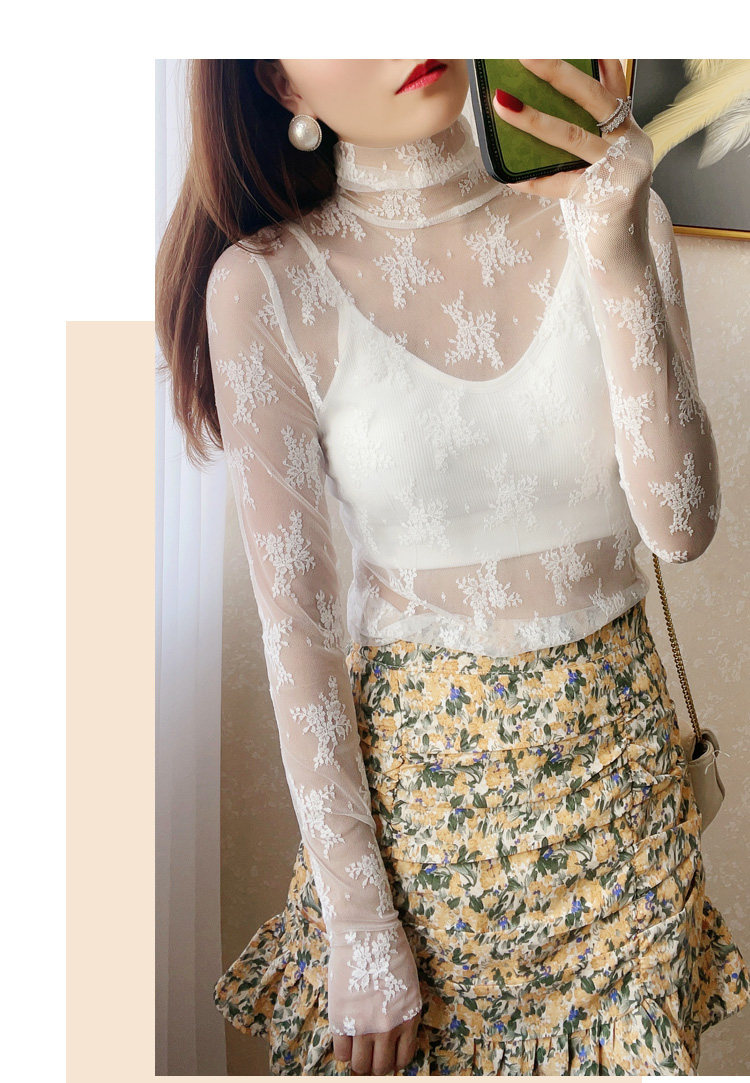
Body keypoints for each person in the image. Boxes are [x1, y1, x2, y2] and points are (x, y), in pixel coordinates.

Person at [155, 59, 750, 1076]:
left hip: (625, 823)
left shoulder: (612, 212)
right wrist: (359, 926)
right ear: (279, 86)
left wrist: (616, 255)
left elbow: (681, 527)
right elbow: (297, 640)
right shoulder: (266, 284)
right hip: (421, 852)